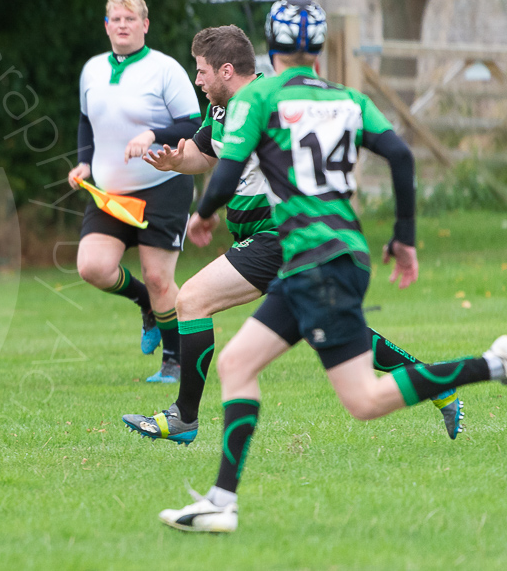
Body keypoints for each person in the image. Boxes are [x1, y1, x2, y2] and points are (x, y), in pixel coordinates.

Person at [158, 0, 507, 533]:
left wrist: (202, 216)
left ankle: (494, 365)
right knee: (238, 364)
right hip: (328, 257)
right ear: (318, 50)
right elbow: (403, 156)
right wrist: (405, 238)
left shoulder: (262, 96)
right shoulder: (347, 99)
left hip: (315, 262)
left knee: (363, 400)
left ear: (271, 50)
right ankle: (221, 503)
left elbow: (225, 170)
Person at [120, 25, 462, 444]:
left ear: (226, 70)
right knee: (336, 329)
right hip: (278, 240)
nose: (198, 79)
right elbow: (206, 153)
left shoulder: (264, 103)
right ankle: (436, 383)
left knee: (191, 300)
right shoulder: (225, 109)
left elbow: (239, 169)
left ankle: (184, 417)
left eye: (202, 70)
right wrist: (176, 161)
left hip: (276, 235)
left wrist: (204, 212)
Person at [68, 0, 202, 383]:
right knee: (93, 267)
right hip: (110, 193)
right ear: (107, 26)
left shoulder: (164, 68)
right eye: (116, 19)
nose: (123, 25)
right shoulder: (92, 68)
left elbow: (194, 124)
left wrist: (152, 134)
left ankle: (174, 361)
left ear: (145, 24)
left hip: (163, 185)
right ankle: (144, 303)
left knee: (161, 277)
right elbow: (84, 122)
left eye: (131, 19)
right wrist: (83, 162)